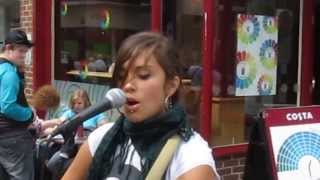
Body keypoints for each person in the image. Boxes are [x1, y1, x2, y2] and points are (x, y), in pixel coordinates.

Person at [62, 32, 220, 180]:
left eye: (143, 75)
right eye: (122, 76)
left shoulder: (190, 155)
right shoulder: (101, 138)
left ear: (171, 86)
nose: (128, 85)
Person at [0, 30, 35, 180]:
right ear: (8, 48)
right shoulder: (9, 73)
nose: (23, 56)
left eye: (25, 52)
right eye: (20, 51)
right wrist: (29, 114)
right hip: (12, 135)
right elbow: (7, 106)